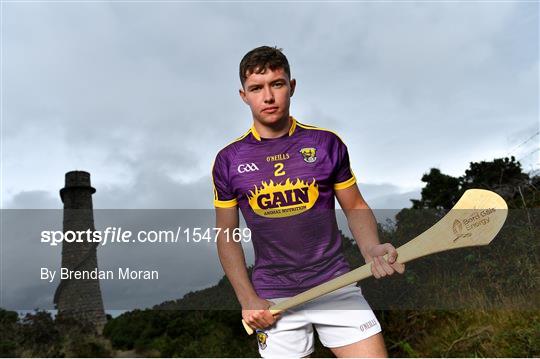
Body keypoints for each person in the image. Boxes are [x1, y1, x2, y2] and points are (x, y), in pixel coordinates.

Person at [212, 46, 405, 358]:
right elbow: (226, 235)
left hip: (336, 283)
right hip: (274, 299)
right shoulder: (228, 160)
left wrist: (371, 248)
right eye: (256, 88)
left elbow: (354, 206)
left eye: (277, 84)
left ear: (292, 87)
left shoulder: (326, 144)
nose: (268, 97)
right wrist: (246, 297)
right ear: (243, 95)